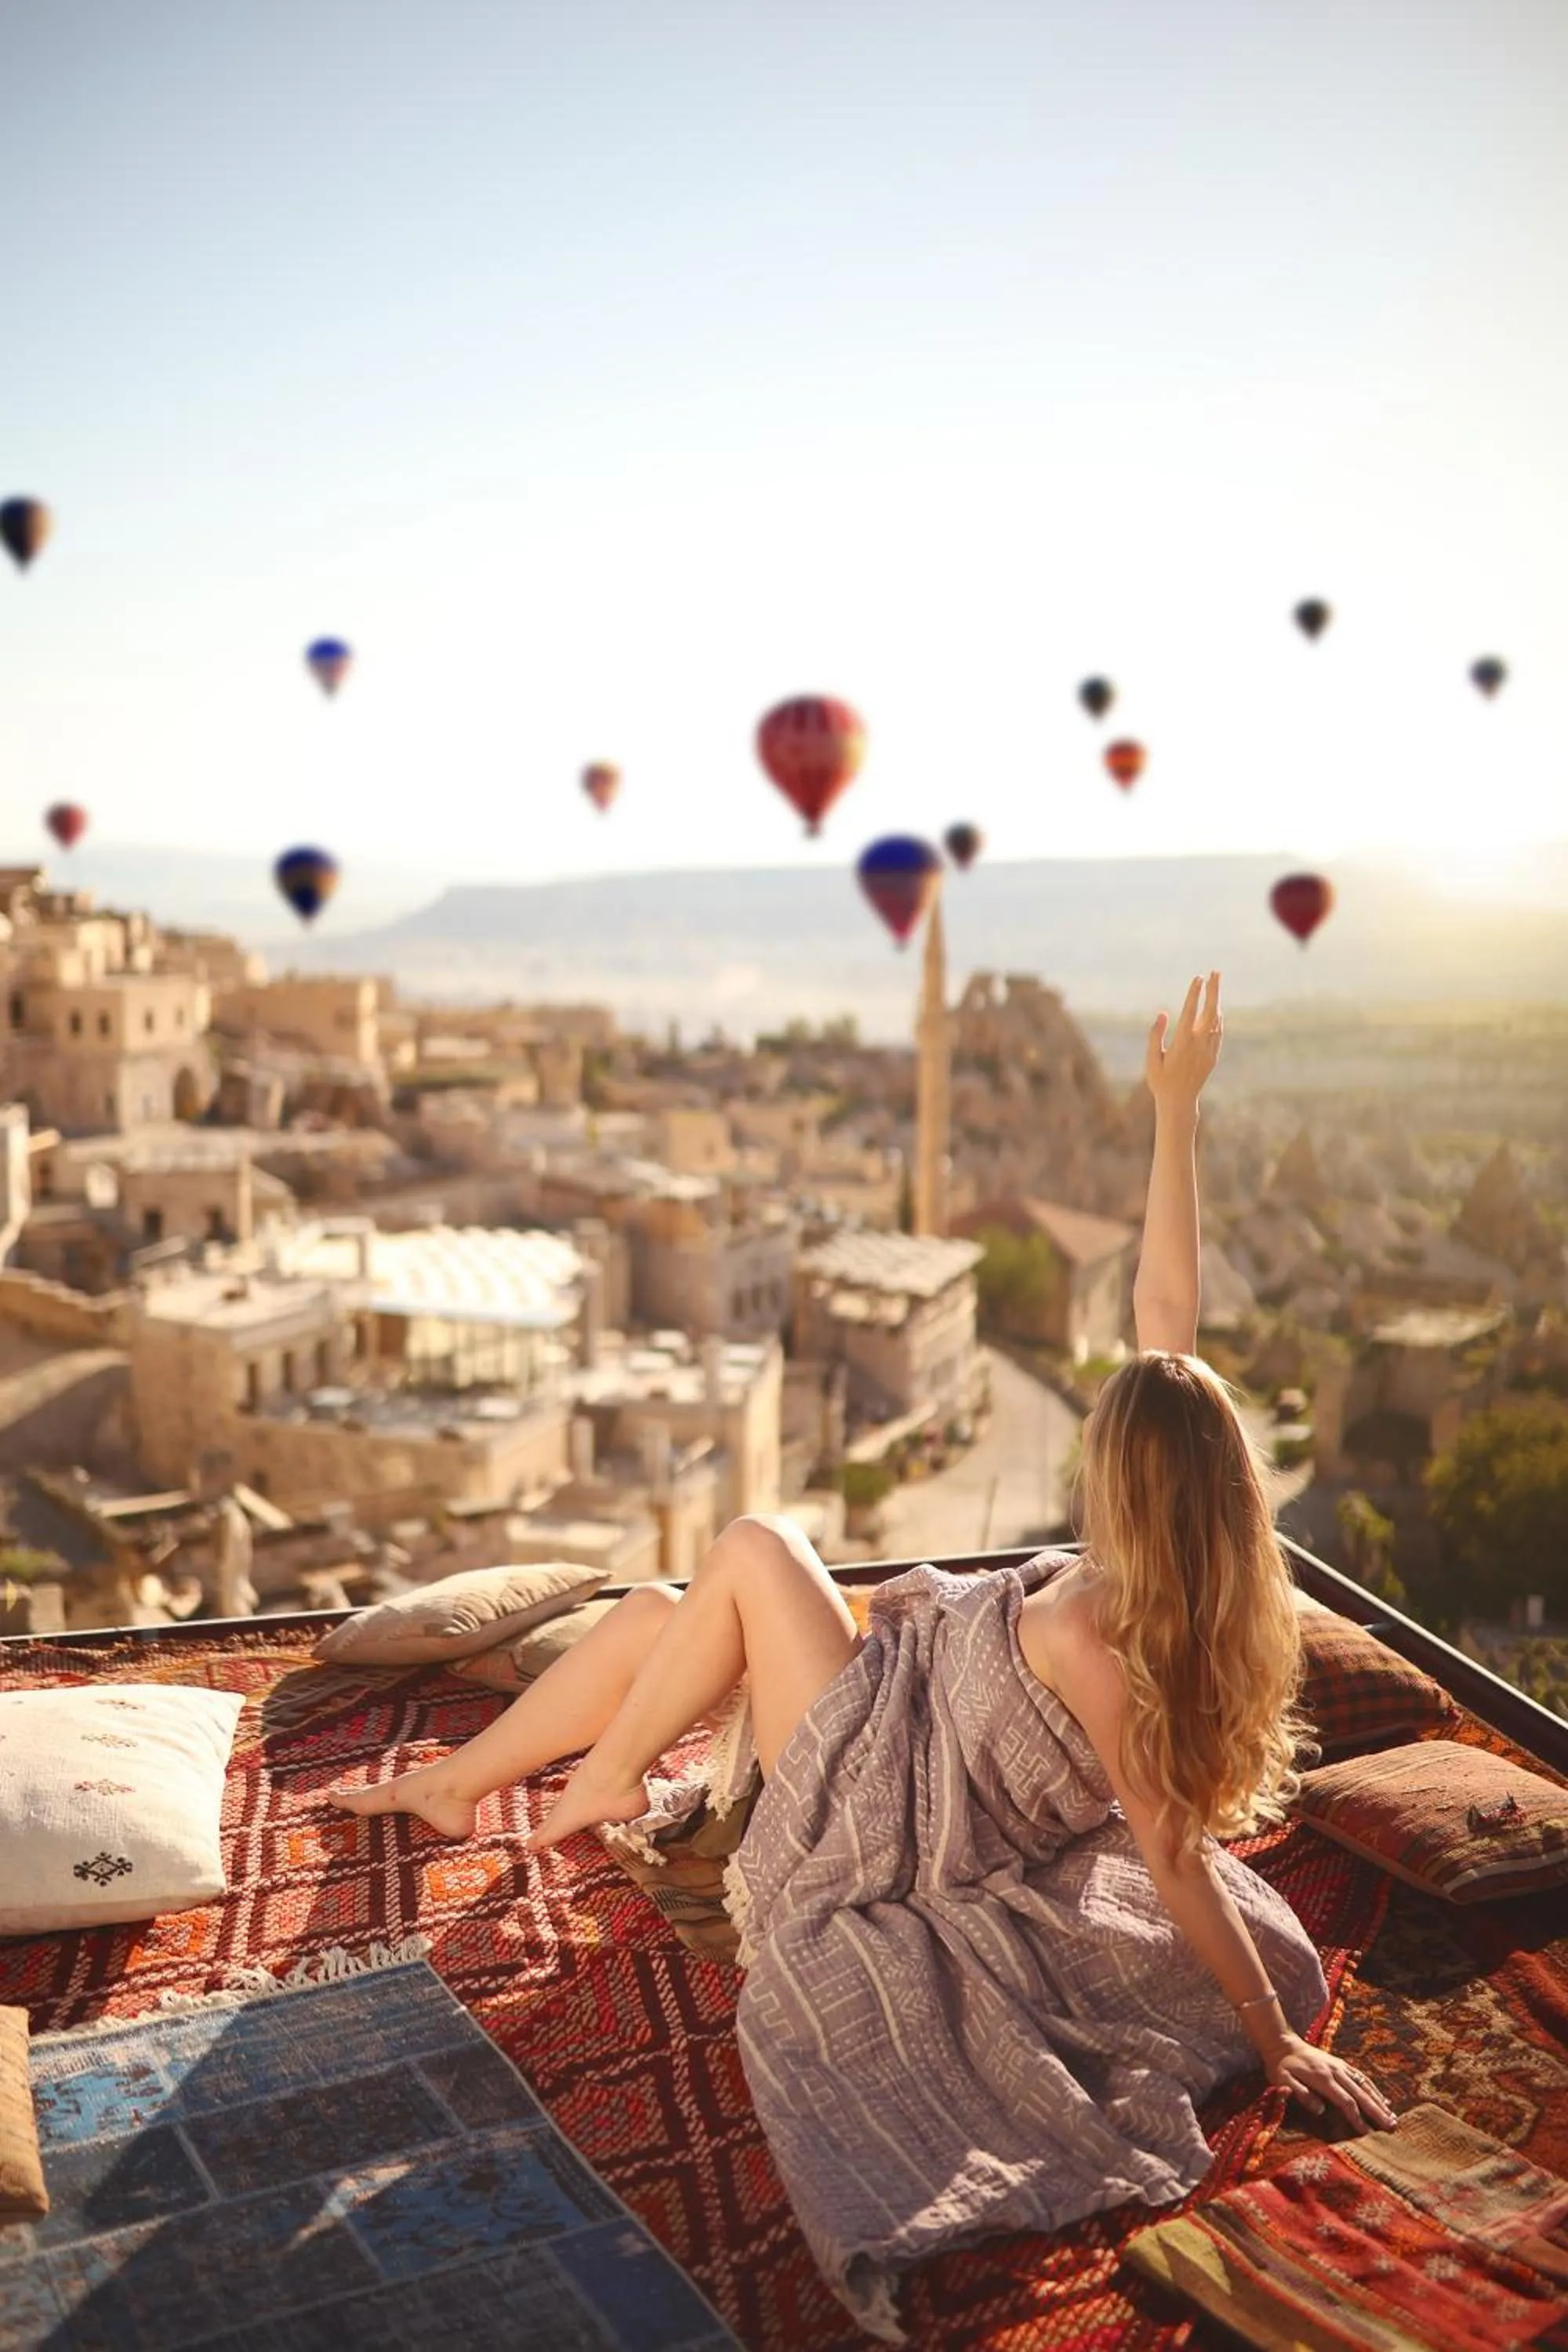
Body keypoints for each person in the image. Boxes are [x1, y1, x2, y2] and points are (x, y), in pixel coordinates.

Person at [328, 971, 1396, 2337]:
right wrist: (1173, 1115)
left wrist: (1273, 2038)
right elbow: (1166, 1315)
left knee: (760, 1547)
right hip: (899, 1699)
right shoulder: (1189, 1580)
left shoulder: (1103, 1631)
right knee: (665, 1613)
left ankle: (599, 1784)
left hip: (887, 1797)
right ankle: (462, 1783)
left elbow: (1178, 1856)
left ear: (1130, 1485)